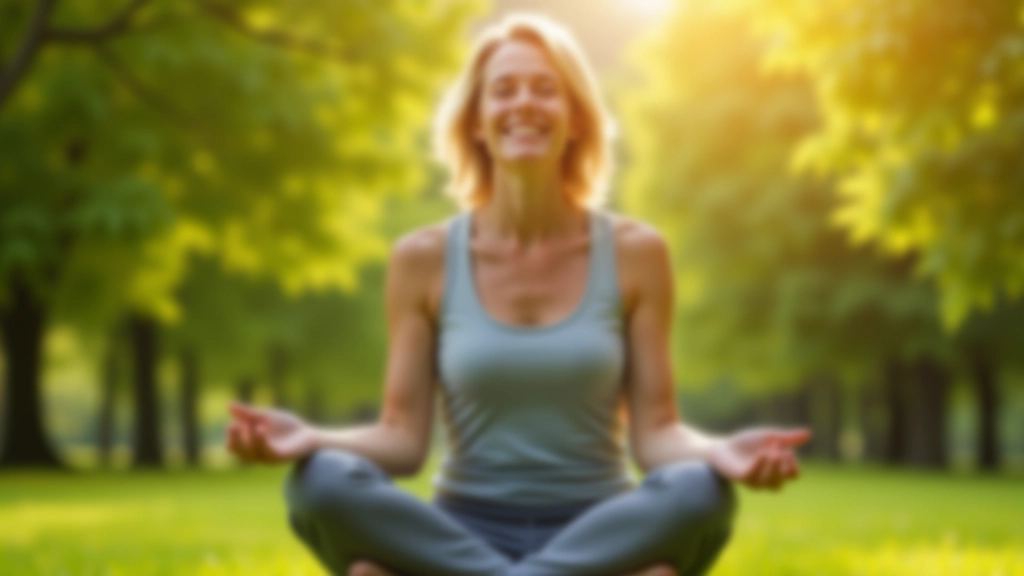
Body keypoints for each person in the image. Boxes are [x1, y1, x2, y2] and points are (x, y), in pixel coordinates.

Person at [225, 13, 810, 576]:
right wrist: (312, 438)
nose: (524, 103)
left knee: (701, 492)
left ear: (575, 120)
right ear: (477, 123)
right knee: (319, 482)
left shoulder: (637, 253)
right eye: (503, 90)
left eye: (545, 90)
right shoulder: (422, 259)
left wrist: (719, 452)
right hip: (461, 535)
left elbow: (657, 435)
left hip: (601, 534)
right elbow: (401, 439)